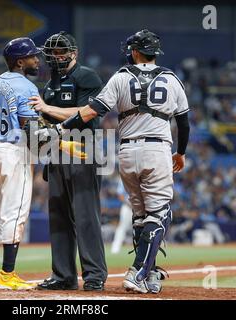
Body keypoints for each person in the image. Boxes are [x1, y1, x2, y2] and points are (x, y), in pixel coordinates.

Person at [30, 29, 190, 294]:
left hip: (115, 148)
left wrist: (55, 124)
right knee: (156, 213)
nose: (55, 57)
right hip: (153, 148)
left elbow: (92, 112)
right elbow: (183, 122)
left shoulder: (113, 76)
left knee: (128, 215)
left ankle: (120, 272)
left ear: (135, 52)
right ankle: (141, 271)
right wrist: (181, 152)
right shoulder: (172, 78)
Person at [32, 31, 108, 291]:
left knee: (86, 215)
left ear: (73, 53)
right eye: (52, 52)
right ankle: (63, 275)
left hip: (84, 150)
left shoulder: (87, 76)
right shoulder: (50, 82)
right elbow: (47, 123)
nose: (56, 56)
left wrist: (46, 109)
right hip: (57, 151)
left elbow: (86, 113)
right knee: (59, 216)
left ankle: (94, 276)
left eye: (61, 51)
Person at [0, 37, 41, 290]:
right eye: (33, 56)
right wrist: (57, 144)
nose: (37, 60)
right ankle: (7, 275)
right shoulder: (26, 87)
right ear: (20, 61)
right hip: (15, 151)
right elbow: (31, 125)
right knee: (15, 214)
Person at [110, 181, 133, 254]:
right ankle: (115, 248)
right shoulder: (124, 176)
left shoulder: (141, 174)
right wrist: (128, 203)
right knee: (122, 227)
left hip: (139, 206)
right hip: (127, 206)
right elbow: (120, 194)